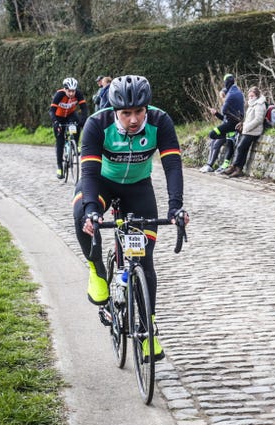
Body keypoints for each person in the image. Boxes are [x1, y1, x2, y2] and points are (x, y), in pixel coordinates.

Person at [73, 75, 186, 363]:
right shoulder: (97, 125)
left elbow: (172, 166)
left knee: (144, 261)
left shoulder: (161, 121)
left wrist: (175, 207)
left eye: (139, 112)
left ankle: (149, 332)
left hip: (138, 188)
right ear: (115, 111)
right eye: (126, 113)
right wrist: (90, 210)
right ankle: (97, 269)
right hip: (101, 183)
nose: (134, 119)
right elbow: (87, 173)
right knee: (79, 212)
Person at [200, 75, 244, 172]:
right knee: (213, 142)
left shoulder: (229, 100)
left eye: (222, 97)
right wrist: (216, 114)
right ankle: (209, 164)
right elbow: (223, 118)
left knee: (214, 139)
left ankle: (211, 165)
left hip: (230, 128)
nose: (221, 99)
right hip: (227, 126)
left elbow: (226, 114)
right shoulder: (230, 104)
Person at [222, 86, 267, 178]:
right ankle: (237, 168)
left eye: (252, 96)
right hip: (248, 130)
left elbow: (258, 119)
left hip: (254, 131)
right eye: (249, 96)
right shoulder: (252, 104)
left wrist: (246, 127)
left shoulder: (259, 104)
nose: (250, 97)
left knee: (240, 147)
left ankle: (236, 167)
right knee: (241, 148)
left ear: (257, 95)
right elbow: (249, 119)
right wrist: (243, 124)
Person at [50, 77, 87, 179]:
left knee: (77, 124)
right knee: (60, 141)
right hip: (59, 117)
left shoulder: (78, 94)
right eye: (69, 91)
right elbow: (51, 111)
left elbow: (84, 108)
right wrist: (55, 122)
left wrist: (83, 120)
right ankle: (59, 167)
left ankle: (75, 143)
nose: (71, 93)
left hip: (70, 115)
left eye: (73, 91)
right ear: (65, 89)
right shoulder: (59, 95)